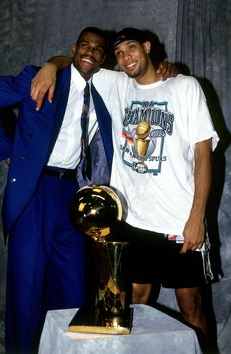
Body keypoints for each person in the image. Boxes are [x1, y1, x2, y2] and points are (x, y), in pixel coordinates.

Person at [31, 27, 218, 345]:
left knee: (192, 307)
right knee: (134, 308)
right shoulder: (118, 84)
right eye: (118, 54)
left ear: (147, 47)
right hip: (132, 221)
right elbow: (81, 61)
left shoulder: (185, 87)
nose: (125, 58)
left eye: (131, 48)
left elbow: (203, 156)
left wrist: (197, 217)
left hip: (178, 221)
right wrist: (50, 65)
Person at [0, 27, 175, 354]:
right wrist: (6, 149)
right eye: (84, 45)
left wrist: (166, 69)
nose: (89, 52)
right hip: (35, 191)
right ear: (73, 48)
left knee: (72, 286)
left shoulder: (108, 88)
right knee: (27, 287)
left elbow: (146, 82)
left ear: (104, 58)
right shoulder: (40, 77)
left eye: (97, 48)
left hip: (73, 194)